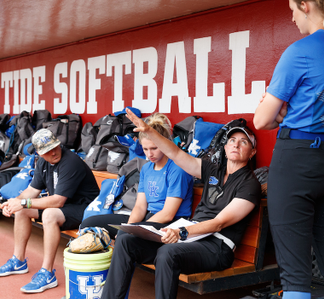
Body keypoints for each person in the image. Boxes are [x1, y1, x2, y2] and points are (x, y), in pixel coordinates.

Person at [253, 0, 324, 299]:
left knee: (295, 273)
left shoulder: (299, 52)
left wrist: (280, 115)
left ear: (306, 4)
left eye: (293, 10)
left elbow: (261, 119)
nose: (292, 17)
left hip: (298, 162)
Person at [101, 108, 261, 299]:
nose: (236, 145)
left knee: (168, 253)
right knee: (127, 241)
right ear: (225, 147)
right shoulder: (213, 169)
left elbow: (219, 223)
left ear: (252, 152)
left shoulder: (250, 184)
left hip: (217, 246)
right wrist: (150, 131)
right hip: (191, 237)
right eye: (232, 141)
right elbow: (176, 154)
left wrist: (182, 232)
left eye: (243, 142)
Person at [0, 128, 100, 294]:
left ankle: (48, 273)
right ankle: (18, 261)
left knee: (48, 214)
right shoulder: (42, 163)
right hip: (66, 206)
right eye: (47, 151)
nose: (54, 152)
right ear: (39, 153)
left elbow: (58, 201)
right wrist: (13, 203)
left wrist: (25, 203)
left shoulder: (71, 162)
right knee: (22, 211)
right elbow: (32, 190)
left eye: (55, 147)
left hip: (86, 208)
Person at [80, 112, 194, 238]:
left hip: (172, 224)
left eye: (154, 148)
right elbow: (140, 207)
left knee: (125, 238)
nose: (149, 154)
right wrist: (128, 227)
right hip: (149, 217)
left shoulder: (177, 169)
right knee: (89, 223)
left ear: (164, 143)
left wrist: (134, 230)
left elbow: (168, 214)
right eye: (145, 149)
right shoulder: (146, 168)